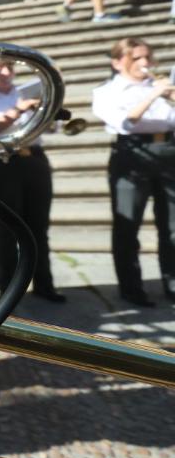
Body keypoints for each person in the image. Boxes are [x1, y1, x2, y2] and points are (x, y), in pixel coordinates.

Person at [0, 57, 64, 304]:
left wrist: (45, 108)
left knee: (39, 227)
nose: (8, 72)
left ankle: (44, 284)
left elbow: (54, 129)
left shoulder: (25, 94)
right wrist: (19, 109)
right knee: (6, 229)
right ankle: (7, 289)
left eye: (11, 67)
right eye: (1, 68)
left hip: (34, 160)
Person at [91, 36, 175, 308]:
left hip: (169, 149)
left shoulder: (162, 84)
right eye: (136, 58)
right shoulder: (106, 91)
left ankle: (173, 284)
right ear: (117, 62)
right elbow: (126, 122)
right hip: (131, 153)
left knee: (173, 226)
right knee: (128, 226)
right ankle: (131, 288)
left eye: (147, 57)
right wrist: (153, 94)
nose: (144, 63)